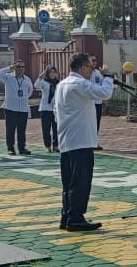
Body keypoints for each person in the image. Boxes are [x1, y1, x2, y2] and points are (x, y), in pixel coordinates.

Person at [54, 53, 116, 232]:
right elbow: (104, 93)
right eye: (90, 67)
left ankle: (67, 215)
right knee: (80, 182)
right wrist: (108, 77)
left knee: (69, 182)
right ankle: (75, 217)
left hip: (67, 140)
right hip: (80, 141)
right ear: (82, 68)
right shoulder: (79, 84)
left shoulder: (62, 84)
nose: (93, 70)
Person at [0, 62, 34, 156]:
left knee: (22, 130)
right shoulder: (8, 77)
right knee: (10, 129)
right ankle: (11, 148)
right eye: (18, 66)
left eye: (23, 67)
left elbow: (30, 91)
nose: (21, 68)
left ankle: (22, 148)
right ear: (15, 67)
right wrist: (9, 68)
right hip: (10, 108)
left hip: (23, 108)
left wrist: (24, 98)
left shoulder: (27, 79)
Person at [33, 65, 60, 152]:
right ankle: (48, 146)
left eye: (54, 72)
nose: (52, 74)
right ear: (47, 73)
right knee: (46, 129)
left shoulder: (59, 83)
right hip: (45, 108)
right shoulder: (44, 82)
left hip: (56, 109)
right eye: (50, 72)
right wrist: (41, 76)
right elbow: (36, 85)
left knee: (56, 128)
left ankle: (56, 146)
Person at [90, 55, 106, 150]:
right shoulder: (86, 73)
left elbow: (102, 86)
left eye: (95, 60)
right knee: (90, 123)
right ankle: (89, 143)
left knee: (96, 123)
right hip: (89, 103)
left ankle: (95, 142)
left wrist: (104, 99)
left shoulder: (98, 73)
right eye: (92, 60)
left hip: (98, 102)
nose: (94, 62)